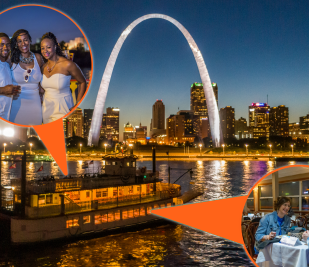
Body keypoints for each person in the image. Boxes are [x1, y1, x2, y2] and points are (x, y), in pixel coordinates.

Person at [40, 32, 86, 124]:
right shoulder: (43, 67)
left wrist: (77, 104)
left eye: (48, 47)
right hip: (46, 110)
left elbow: (82, 82)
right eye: (42, 48)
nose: (45, 50)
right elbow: (42, 89)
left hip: (63, 109)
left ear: (55, 47)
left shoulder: (67, 64)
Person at [10, 29, 44, 125]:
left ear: (29, 40)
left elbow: (46, 73)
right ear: (16, 44)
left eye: (25, 40)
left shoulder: (38, 57)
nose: (23, 43)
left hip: (35, 105)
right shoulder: (12, 59)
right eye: (19, 41)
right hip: (16, 105)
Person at [0, 33, 20, 120]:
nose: (5, 47)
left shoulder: (7, 64)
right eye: (2, 44)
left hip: (5, 114)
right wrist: (4, 90)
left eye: (8, 44)